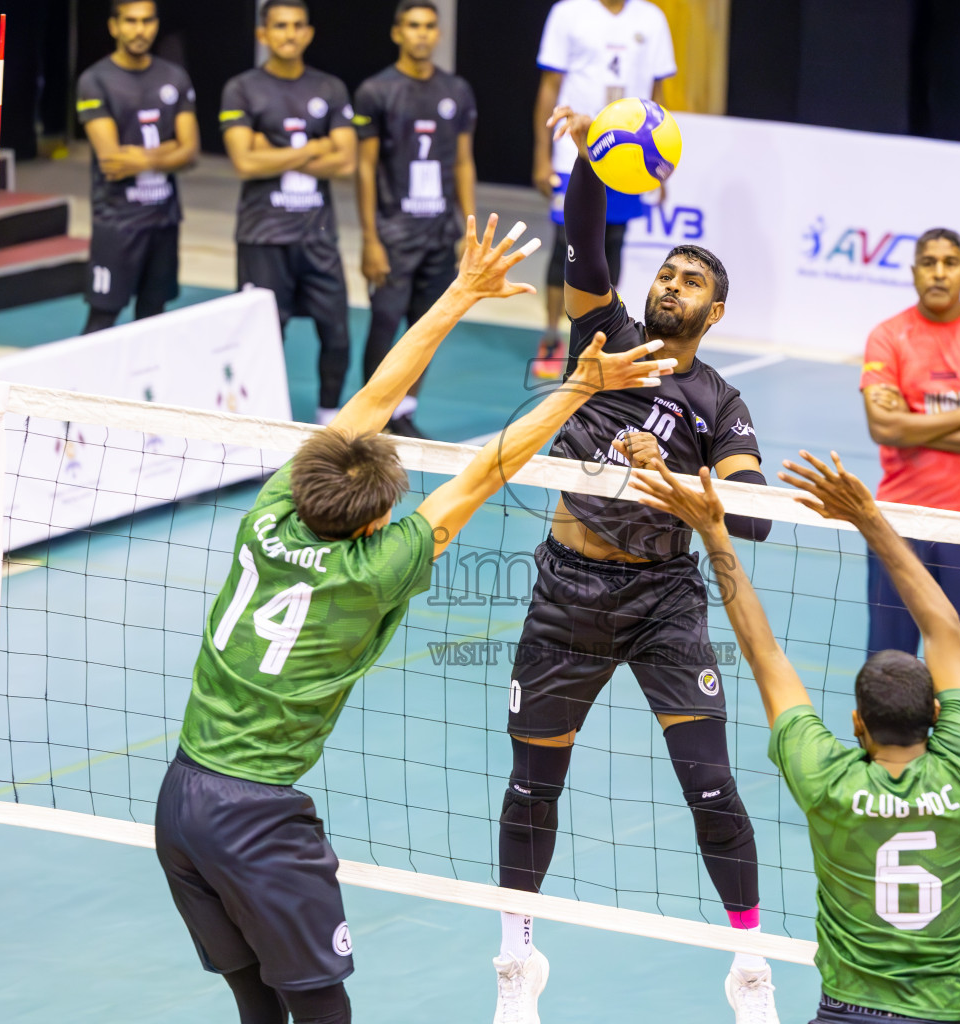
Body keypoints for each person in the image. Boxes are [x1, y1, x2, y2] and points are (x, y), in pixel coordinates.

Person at [154, 215, 676, 1024]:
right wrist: (579, 388)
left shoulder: (275, 507)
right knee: (324, 1010)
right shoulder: (376, 565)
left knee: (256, 1007)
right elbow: (489, 470)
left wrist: (460, 293)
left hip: (179, 798)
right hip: (255, 817)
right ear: (370, 524)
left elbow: (371, 401)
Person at [492, 106, 777, 1024]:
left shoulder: (719, 402)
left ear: (714, 311)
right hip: (567, 591)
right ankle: (516, 961)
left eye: (691, 279)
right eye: (669, 269)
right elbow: (581, 234)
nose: (673, 283)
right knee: (534, 782)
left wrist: (683, 481)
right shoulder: (604, 337)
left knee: (712, 786)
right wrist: (589, 161)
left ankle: (748, 964)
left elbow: (754, 516)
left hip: (662, 602)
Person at [630, 451, 960, 1024]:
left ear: (857, 724)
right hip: (945, 1014)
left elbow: (763, 654)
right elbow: (946, 629)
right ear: (935, 713)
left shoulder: (828, 778)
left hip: (845, 1013)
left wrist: (712, 532)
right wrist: (869, 518)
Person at [860, 228, 960, 836]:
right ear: (912, 270)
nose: (938, 272)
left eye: (950, 262)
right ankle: (882, 783)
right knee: (891, 663)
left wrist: (915, 422)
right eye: (928, 261)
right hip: (898, 524)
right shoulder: (889, 336)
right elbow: (883, 426)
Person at [220, 0, 358, 426]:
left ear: (309, 33)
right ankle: (262, 423)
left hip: (317, 236)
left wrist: (273, 150)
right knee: (264, 337)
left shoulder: (331, 88)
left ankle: (329, 419)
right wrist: (318, 146)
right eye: (280, 26)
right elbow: (244, 163)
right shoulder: (241, 89)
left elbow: (347, 163)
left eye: (298, 26)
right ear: (263, 34)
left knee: (336, 333)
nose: (289, 34)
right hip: (263, 236)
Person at [530, 0, 677, 379]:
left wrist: (659, 168)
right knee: (568, 243)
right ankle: (550, 336)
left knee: (613, 243)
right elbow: (549, 88)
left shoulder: (652, 18)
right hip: (573, 148)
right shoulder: (569, 12)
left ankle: (598, 337)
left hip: (629, 159)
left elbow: (657, 100)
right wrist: (541, 156)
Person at [353, 0, 477, 439]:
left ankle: (403, 410)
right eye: (412, 26)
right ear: (397, 33)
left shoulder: (456, 91)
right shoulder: (376, 91)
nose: (421, 34)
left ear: (438, 33)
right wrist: (370, 238)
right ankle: (371, 417)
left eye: (429, 26)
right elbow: (364, 167)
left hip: (439, 235)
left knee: (427, 328)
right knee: (385, 324)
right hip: (393, 233)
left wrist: (468, 226)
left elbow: (463, 162)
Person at [76, 0, 198, 335]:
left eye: (146, 21)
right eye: (130, 21)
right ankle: (81, 389)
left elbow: (191, 152)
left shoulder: (174, 77)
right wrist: (168, 150)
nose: (139, 29)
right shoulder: (95, 80)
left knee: (153, 317)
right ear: (114, 26)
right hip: (117, 223)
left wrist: (143, 156)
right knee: (102, 319)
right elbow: (112, 162)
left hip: (164, 220)